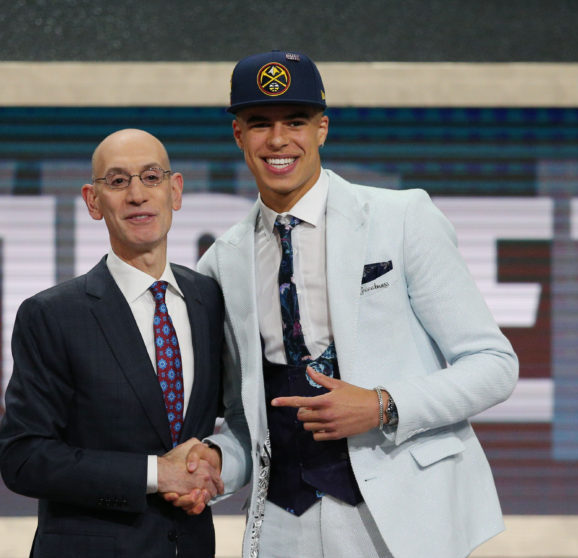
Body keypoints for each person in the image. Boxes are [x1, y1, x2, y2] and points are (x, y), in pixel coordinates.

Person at [176, 51, 519, 557]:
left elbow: (494, 366)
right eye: (259, 124)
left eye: (295, 121)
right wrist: (214, 464)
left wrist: (382, 404)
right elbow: (246, 420)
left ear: (322, 129)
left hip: (400, 517)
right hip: (280, 526)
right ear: (237, 136)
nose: (277, 140)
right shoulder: (221, 262)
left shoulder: (401, 218)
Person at [0, 128, 225, 558]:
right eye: (118, 181)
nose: (137, 195)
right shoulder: (52, 315)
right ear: (93, 201)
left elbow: (238, 417)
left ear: (175, 191)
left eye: (151, 177)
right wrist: (157, 474)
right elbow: (24, 458)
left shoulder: (210, 299)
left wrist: (212, 462)